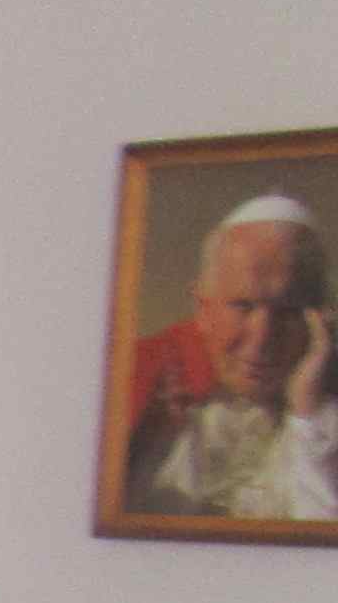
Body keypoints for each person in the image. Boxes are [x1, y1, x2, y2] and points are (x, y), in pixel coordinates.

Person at [123, 194, 336, 524]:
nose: (262, 339)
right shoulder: (138, 382)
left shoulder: (323, 404)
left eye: (288, 311)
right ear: (202, 308)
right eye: (242, 306)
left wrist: (308, 416)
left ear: (320, 318)